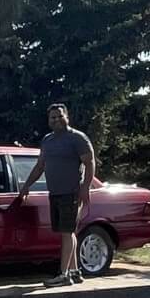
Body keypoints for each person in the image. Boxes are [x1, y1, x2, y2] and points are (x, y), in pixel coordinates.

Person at [16, 103, 96, 286]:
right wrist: (27, 185)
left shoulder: (77, 138)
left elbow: (90, 163)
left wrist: (85, 187)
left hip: (72, 192)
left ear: (67, 117)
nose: (57, 120)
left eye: (60, 116)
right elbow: (40, 166)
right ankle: (75, 272)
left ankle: (63, 274)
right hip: (56, 192)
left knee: (67, 232)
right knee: (67, 232)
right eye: (53, 117)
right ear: (48, 120)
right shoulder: (48, 140)